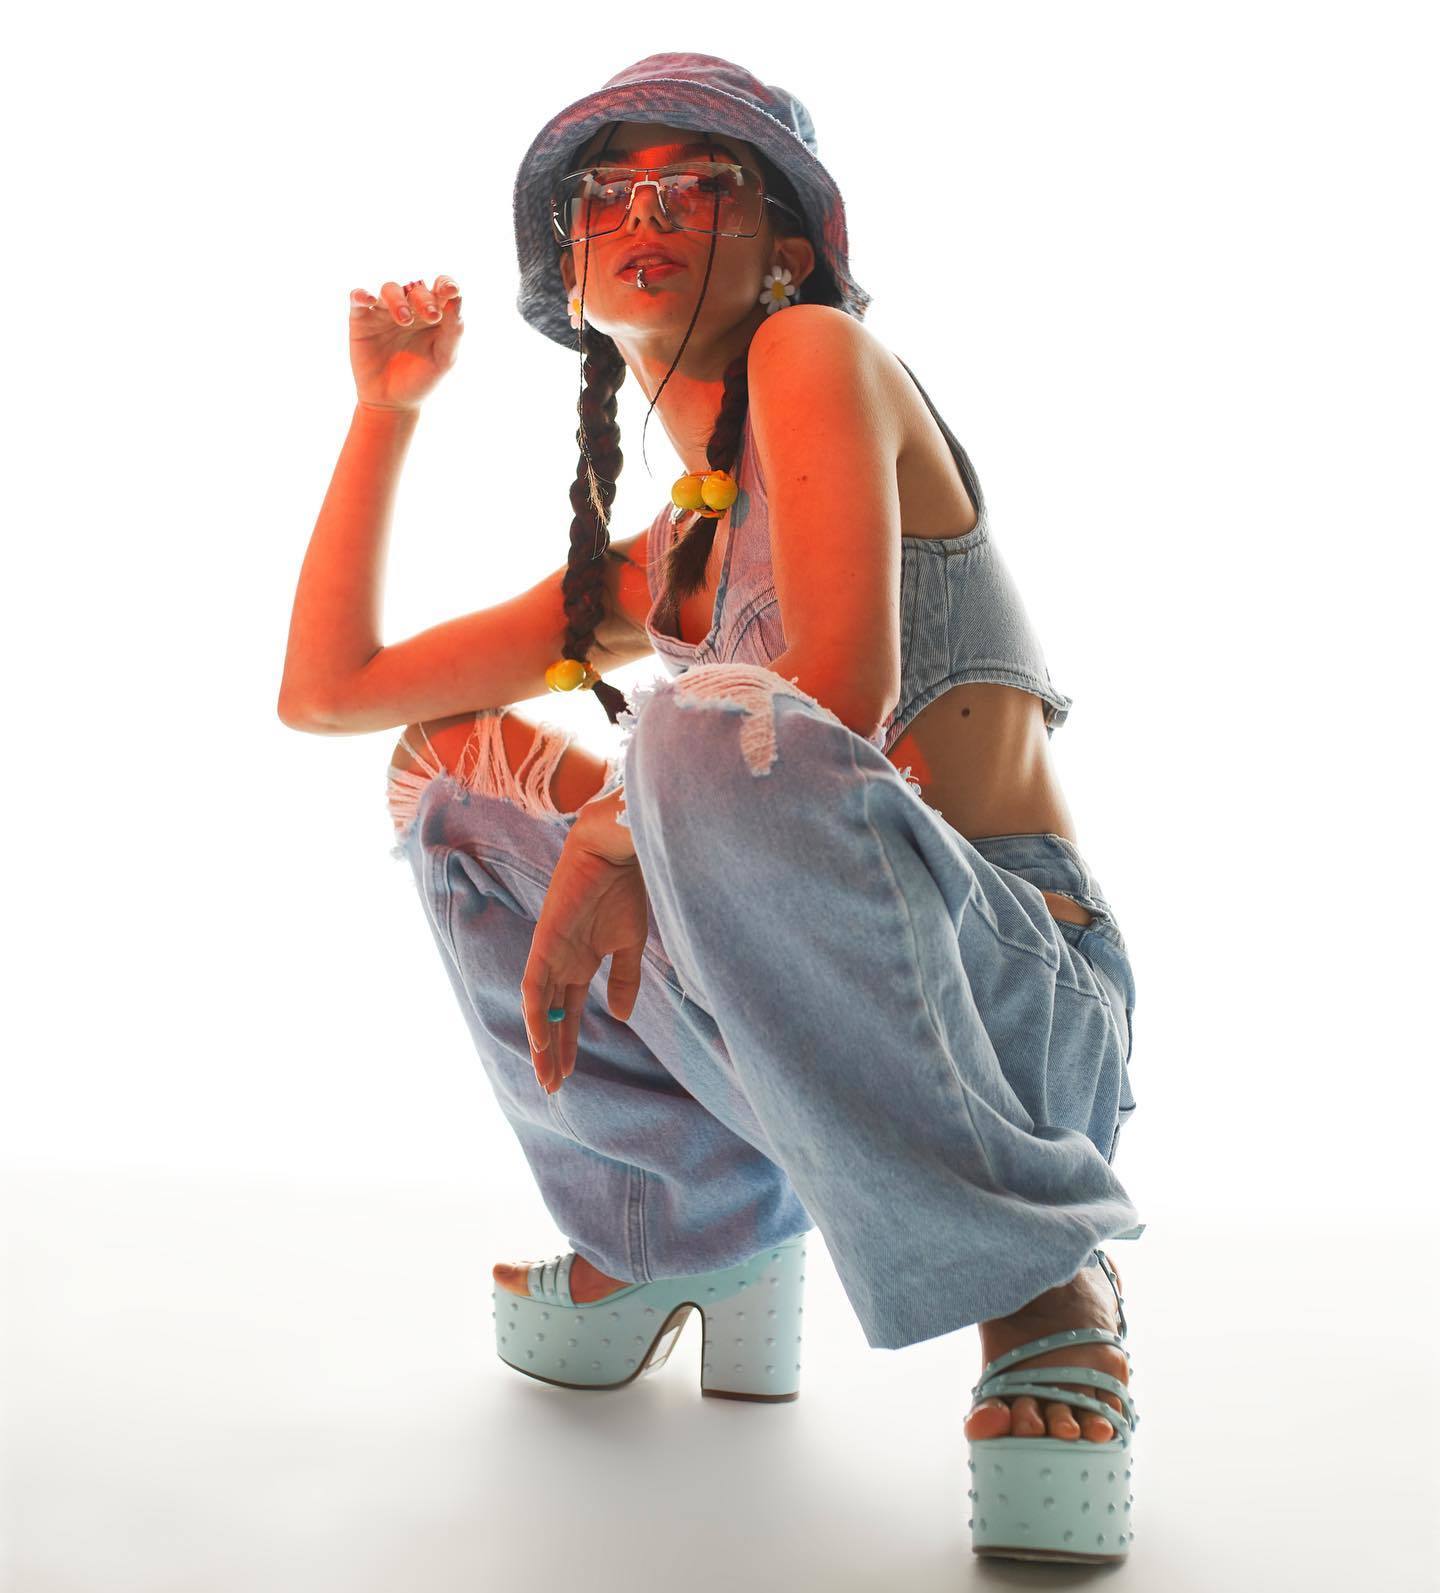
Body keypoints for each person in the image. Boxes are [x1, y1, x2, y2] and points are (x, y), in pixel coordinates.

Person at [277, 53, 1147, 1564]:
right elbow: (332, 689)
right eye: (609, 195)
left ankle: (1040, 1278)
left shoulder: (816, 349)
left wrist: (617, 829)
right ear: (571, 270)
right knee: (450, 777)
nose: (647, 213)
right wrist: (385, 412)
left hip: (1014, 1015)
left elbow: (834, 686)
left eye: (700, 185)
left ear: (786, 245)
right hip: (794, 1033)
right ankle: (687, 1226)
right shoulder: (660, 562)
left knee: (700, 727)